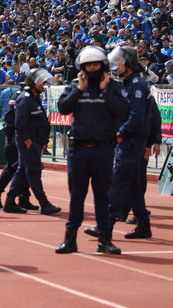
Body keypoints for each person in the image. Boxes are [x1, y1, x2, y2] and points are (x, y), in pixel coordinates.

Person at [54, 46, 127, 254]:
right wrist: (80, 89)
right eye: (88, 64)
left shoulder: (113, 86)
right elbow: (63, 108)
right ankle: (70, 239)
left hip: (103, 150)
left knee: (102, 196)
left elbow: (122, 110)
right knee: (77, 195)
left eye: (95, 64)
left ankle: (105, 239)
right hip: (78, 150)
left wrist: (104, 90)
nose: (92, 67)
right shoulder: (76, 84)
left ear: (103, 65)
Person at [103, 46, 154, 240]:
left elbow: (137, 115)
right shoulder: (126, 83)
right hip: (128, 140)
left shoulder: (137, 85)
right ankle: (144, 224)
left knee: (118, 182)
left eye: (120, 62)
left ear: (129, 64)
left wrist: (121, 132)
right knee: (132, 185)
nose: (117, 66)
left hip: (132, 141)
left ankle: (105, 225)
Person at [4, 68, 61, 215]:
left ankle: (10, 201)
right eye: (40, 82)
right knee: (34, 172)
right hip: (29, 142)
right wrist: (27, 141)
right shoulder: (25, 99)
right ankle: (44, 203)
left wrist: (42, 140)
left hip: (35, 142)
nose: (43, 84)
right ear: (32, 83)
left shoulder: (34, 98)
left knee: (22, 170)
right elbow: (20, 123)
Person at [0, 84, 37, 211]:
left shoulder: (21, 96)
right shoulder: (21, 97)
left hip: (20, 136)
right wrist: (14, 136)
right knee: (13, 167)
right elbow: (12, 119)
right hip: (14, 137)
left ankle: (24, 198)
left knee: (23, 167)